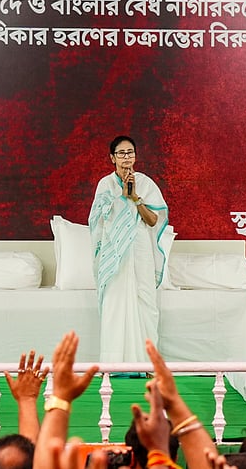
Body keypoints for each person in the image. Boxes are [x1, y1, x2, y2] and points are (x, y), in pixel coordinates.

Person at [88, 136, 169, 362]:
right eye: (121, 153)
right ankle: (115, 364)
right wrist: (120, 198)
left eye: (130, 152)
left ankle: (146, 363)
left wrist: (134, 198)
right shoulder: (105, 185)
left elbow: (153, 221)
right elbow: (98, 222)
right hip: (114, 253)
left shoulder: (145, 183)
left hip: (140, 249)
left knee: (145, 301)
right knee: (116, 303)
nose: (127, 158)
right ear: (112, 158)